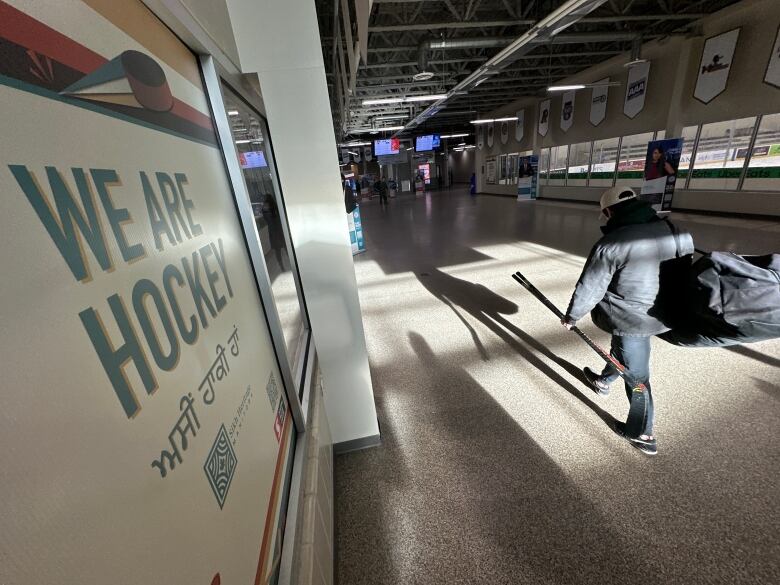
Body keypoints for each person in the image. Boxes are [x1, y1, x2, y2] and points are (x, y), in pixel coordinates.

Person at [560, 186, 694, 456]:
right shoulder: (676, 229)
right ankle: (605, 380)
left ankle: (643, 432)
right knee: (624, 351)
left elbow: (591, 286)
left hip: (632, 320)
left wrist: (572, 316)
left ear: (608, 212)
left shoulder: (613, 243)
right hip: (668, 310)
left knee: (637, 375)